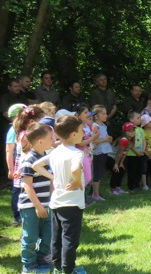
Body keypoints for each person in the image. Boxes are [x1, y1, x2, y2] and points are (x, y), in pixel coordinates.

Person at [32, 115, 87, 274]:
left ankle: (57, 267)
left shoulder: (55, 152)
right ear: (73, 134)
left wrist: (53, 177)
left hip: (55, 203)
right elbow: (76, 169)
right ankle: (67, 270)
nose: (83, 132)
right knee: (70, 239)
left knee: (56, 238)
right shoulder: (76, 152)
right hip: (72, 203)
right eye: (81, 130)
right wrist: (76, 181)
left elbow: (36, 165)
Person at [17, 123, 54, 273]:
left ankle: (42, 260)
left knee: (48, 235)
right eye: (50, 137)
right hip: (31, 206)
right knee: (30, 237)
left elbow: (51, 181)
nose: (53, 140)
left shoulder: (46, 158)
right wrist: (38, 206)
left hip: (46, 204)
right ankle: (29, 265)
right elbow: (27, 186)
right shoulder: (28, 160)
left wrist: (51, 201)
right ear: (40, 141)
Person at [10, 105, 45, 226]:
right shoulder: (27, 135)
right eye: (41, 120)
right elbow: (26, 155)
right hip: (26, 168)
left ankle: (33, 217)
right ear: (32, 121)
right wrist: (20, 169)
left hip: (25, 167)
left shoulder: (24, 133)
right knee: (28, 192)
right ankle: (27, 219)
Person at [91, 105, 113, 201]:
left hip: (104, 152)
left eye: (106, 113)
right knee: (97, 173)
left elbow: (105, 137)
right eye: (103, 114)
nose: (106, 115)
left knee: (100, 173)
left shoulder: (103, 125)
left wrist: (109, 138)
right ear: (96, 116)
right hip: (98, 153)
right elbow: (92, 141)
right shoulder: (95, 126)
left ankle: (95, 192)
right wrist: (104, 140)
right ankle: (95, 195)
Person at [110, 122, 135, 195]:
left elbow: (125, 152)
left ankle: (118, 188)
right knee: (115, 171)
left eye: (133, 130)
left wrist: (121, 163)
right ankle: (112, 189)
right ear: (125, 132)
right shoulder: (124, 140)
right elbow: (119, 153)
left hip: (117, 158)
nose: (132, 132)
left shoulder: (131, 140)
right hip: (110, 156)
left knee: (122, 170)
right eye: (129, 130)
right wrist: (116, 164)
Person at [125, 111, 145, 191]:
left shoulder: (140, 129)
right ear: (131, 119)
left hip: (140, 153)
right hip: (131, 154)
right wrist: (136, 151)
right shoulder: (130, 129)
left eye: (140, 117)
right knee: (132, 170)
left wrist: (143, 150)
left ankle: (137, 184)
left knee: (139, 170)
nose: (140, 119)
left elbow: (144, 140)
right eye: (138, 118)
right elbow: (129, 142)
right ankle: (131, 186)